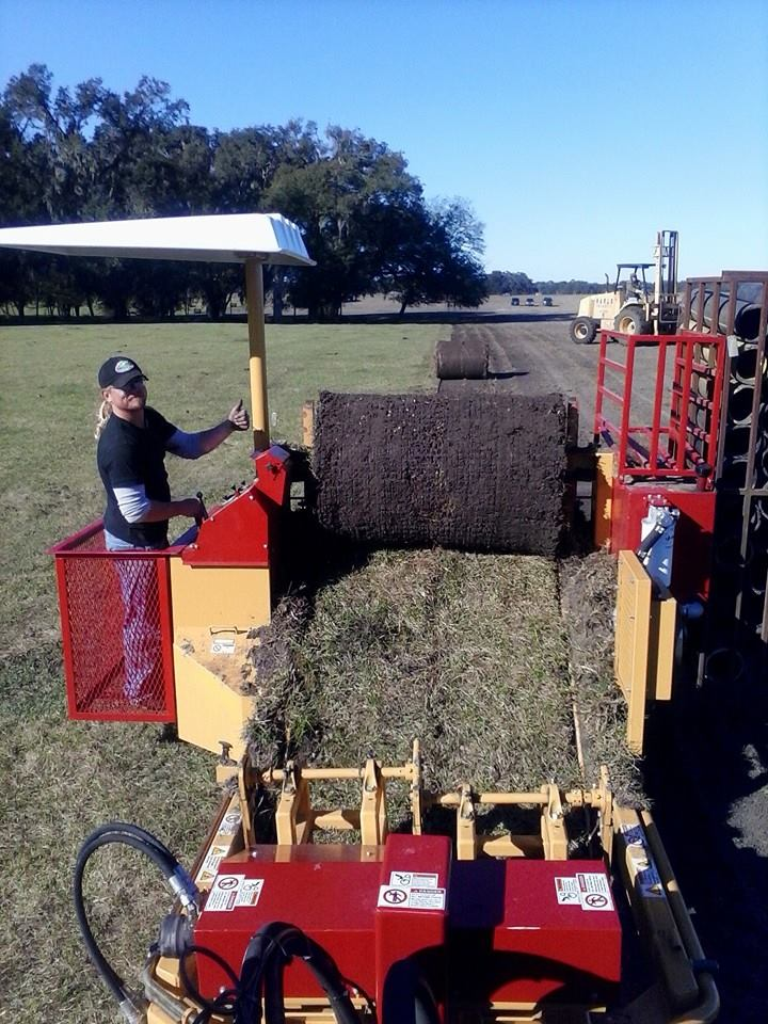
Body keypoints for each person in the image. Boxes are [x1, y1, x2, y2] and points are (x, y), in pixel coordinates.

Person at [95, 355, 250, 702]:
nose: (134, 389)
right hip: (133, 543)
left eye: (138, 381)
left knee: (154, 611)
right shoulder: (119, 445)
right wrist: (186, 507)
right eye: (125, 387)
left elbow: (190, 446)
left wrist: (228, 425)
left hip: (150, 537)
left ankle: (157, 678)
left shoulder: (149, 419)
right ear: (108, 395)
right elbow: (136, 511)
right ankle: (141, 692)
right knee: (142, 618)